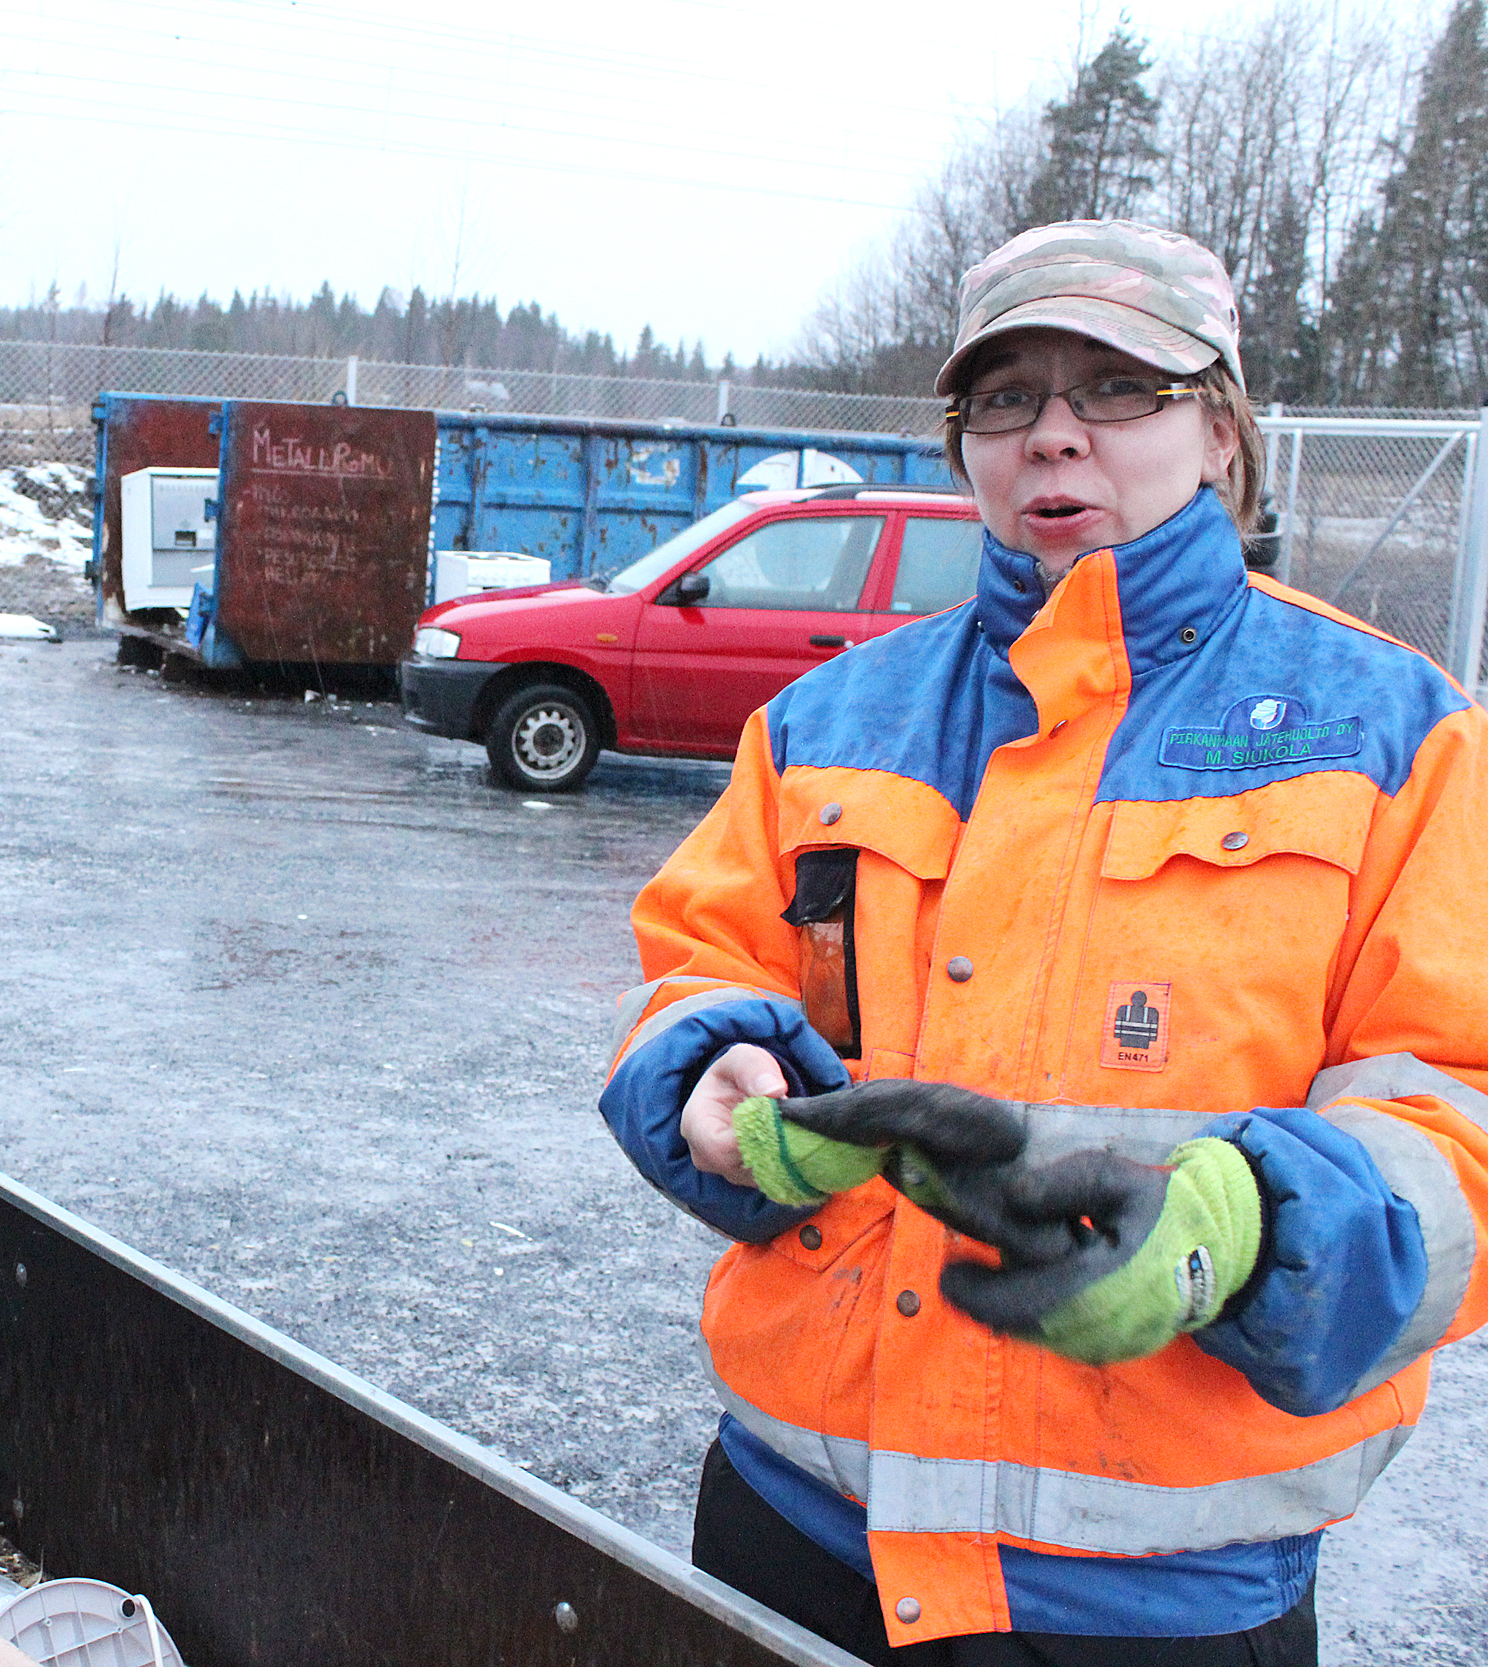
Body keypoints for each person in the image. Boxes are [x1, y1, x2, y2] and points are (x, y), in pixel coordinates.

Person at [598, 220, 1488, 1664]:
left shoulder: (1397, 732)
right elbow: (699, 964)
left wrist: (1256, 1226)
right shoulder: (829, 722)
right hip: (795, 1537)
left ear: (1219, 427)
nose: (1054, 438)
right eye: (1006, 397)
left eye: (1117, 387)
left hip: (1152, 1600)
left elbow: (1461, 1102)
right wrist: (714, 1076)